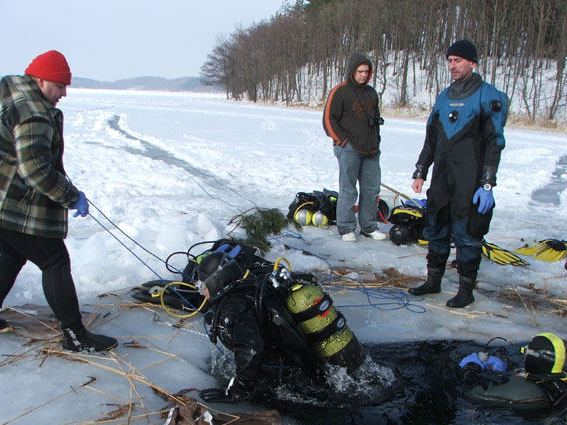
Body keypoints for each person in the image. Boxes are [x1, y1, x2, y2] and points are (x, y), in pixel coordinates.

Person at [0, 50, 117, 352]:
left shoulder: (11, 85)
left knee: (12, 254)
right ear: (39, 80)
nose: (64, 93)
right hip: (3, 203)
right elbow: (36, 172)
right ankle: (75, 336)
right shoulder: (34, 114)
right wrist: (71, 196)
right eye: (59, 86)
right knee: (54, 261)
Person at [191, 240, 367, 403]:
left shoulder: (235, 307)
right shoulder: (250, 285)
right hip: (300, 360)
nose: (202, 293)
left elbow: (251, 350)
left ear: (216, 281)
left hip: (292, 374)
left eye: (202, 287)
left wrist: (237, 390)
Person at [408, 40, 508, 308]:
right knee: (436, 226)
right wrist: (421, 170)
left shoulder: (488, 96)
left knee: (467, 233)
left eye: (458, 60)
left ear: (473, 63)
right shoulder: (443, 97)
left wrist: (487, 183)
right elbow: (431, 138)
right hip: (442, 175)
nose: (453, 65)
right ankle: (433, 281)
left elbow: (495, 143)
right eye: (450, 60)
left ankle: (466, 290)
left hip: (470, 177)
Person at [323, 52, 387, 242]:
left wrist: (376, 140)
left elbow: (375, 119)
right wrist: (342, 141)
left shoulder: (371, 93)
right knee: (349, 189)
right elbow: (328, 119)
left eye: (366, 72)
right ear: (352, 71)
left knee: (371, 189)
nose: (363, 75)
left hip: (371, 150)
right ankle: (346, 227)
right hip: (349, 148)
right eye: (360, 71)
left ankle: (368, 226)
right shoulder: (340, 91)